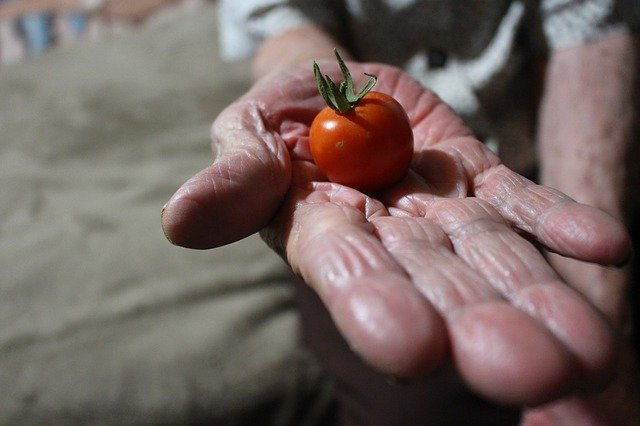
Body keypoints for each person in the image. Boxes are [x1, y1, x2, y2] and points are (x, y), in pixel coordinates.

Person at [162, 0, 639, 424]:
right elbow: (284, 20)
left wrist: (598, 294)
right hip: (347, 211)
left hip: (529, 169)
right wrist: (306, 75)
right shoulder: (338, 122)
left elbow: (588, 27)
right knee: (410, 402)